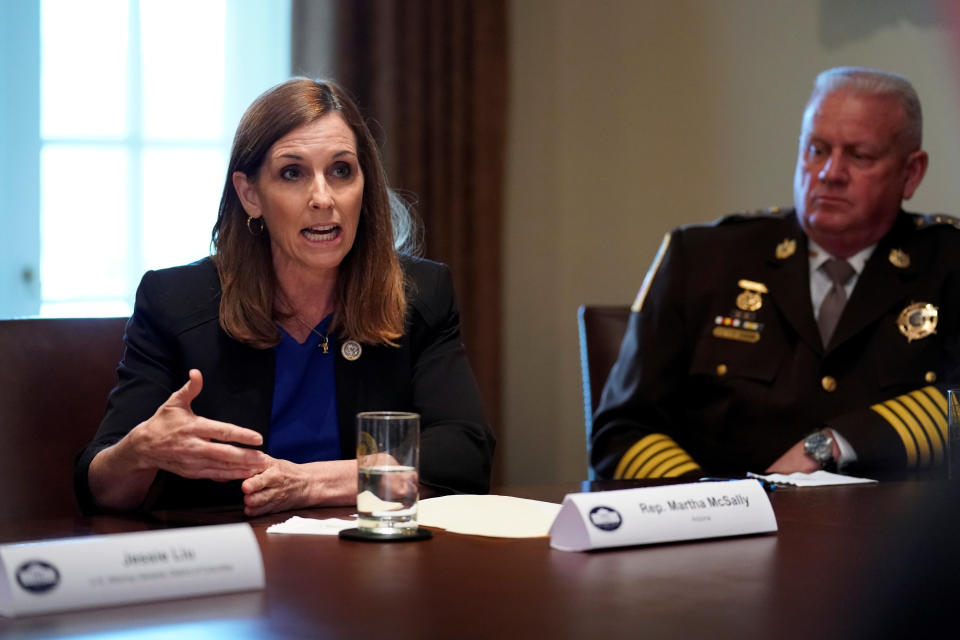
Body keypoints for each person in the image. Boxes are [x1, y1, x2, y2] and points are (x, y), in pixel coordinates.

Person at [74, 78, 494, 516]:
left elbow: (464, 454)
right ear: (250, 194)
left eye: (341, 170)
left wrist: (311, 483)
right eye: (292, 173)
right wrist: (141, 451)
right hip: (233, 560)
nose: (322, 198)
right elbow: (100, 489)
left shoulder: (420, 296)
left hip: (370, 557)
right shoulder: (174, 302)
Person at [591, 67, 960, 480]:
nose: (829, 173)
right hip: (721, 536)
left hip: (892, 536)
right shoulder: (703, 257)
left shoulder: (948, 263)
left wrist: (835, 444)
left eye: (860, 156)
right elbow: (621, 431)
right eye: (817, 150)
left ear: (911, 173)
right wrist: (711, 503)